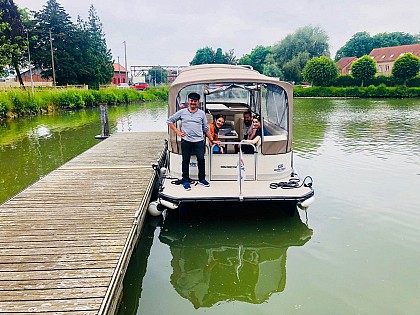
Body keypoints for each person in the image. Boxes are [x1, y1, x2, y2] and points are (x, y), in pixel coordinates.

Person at [167, 92, 214, 191]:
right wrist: (177, 132)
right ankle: (185, 180)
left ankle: (202, 179)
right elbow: (170, 121)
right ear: (188, 101)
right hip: (186, 141)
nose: (193, 103)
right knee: (185, 160)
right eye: (191, 101)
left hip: (199, 141)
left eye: (195, 101)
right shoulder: (182, 112)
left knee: (201, 160)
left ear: (198, 102)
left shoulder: (201, 113)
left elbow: (206, 128)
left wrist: (212, 140)